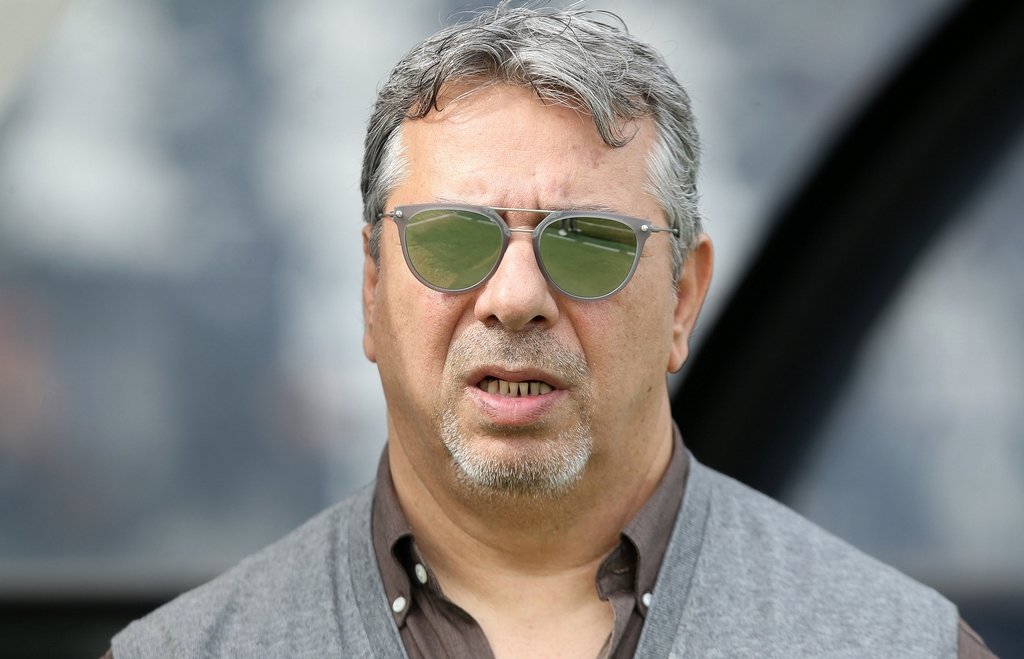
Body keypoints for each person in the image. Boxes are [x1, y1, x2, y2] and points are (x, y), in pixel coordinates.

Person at [107, 6, 996, 658]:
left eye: (588, 242)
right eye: (453, 238)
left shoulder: (902, 644)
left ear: (683, 299)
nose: (515, 296)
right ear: (372, 290)